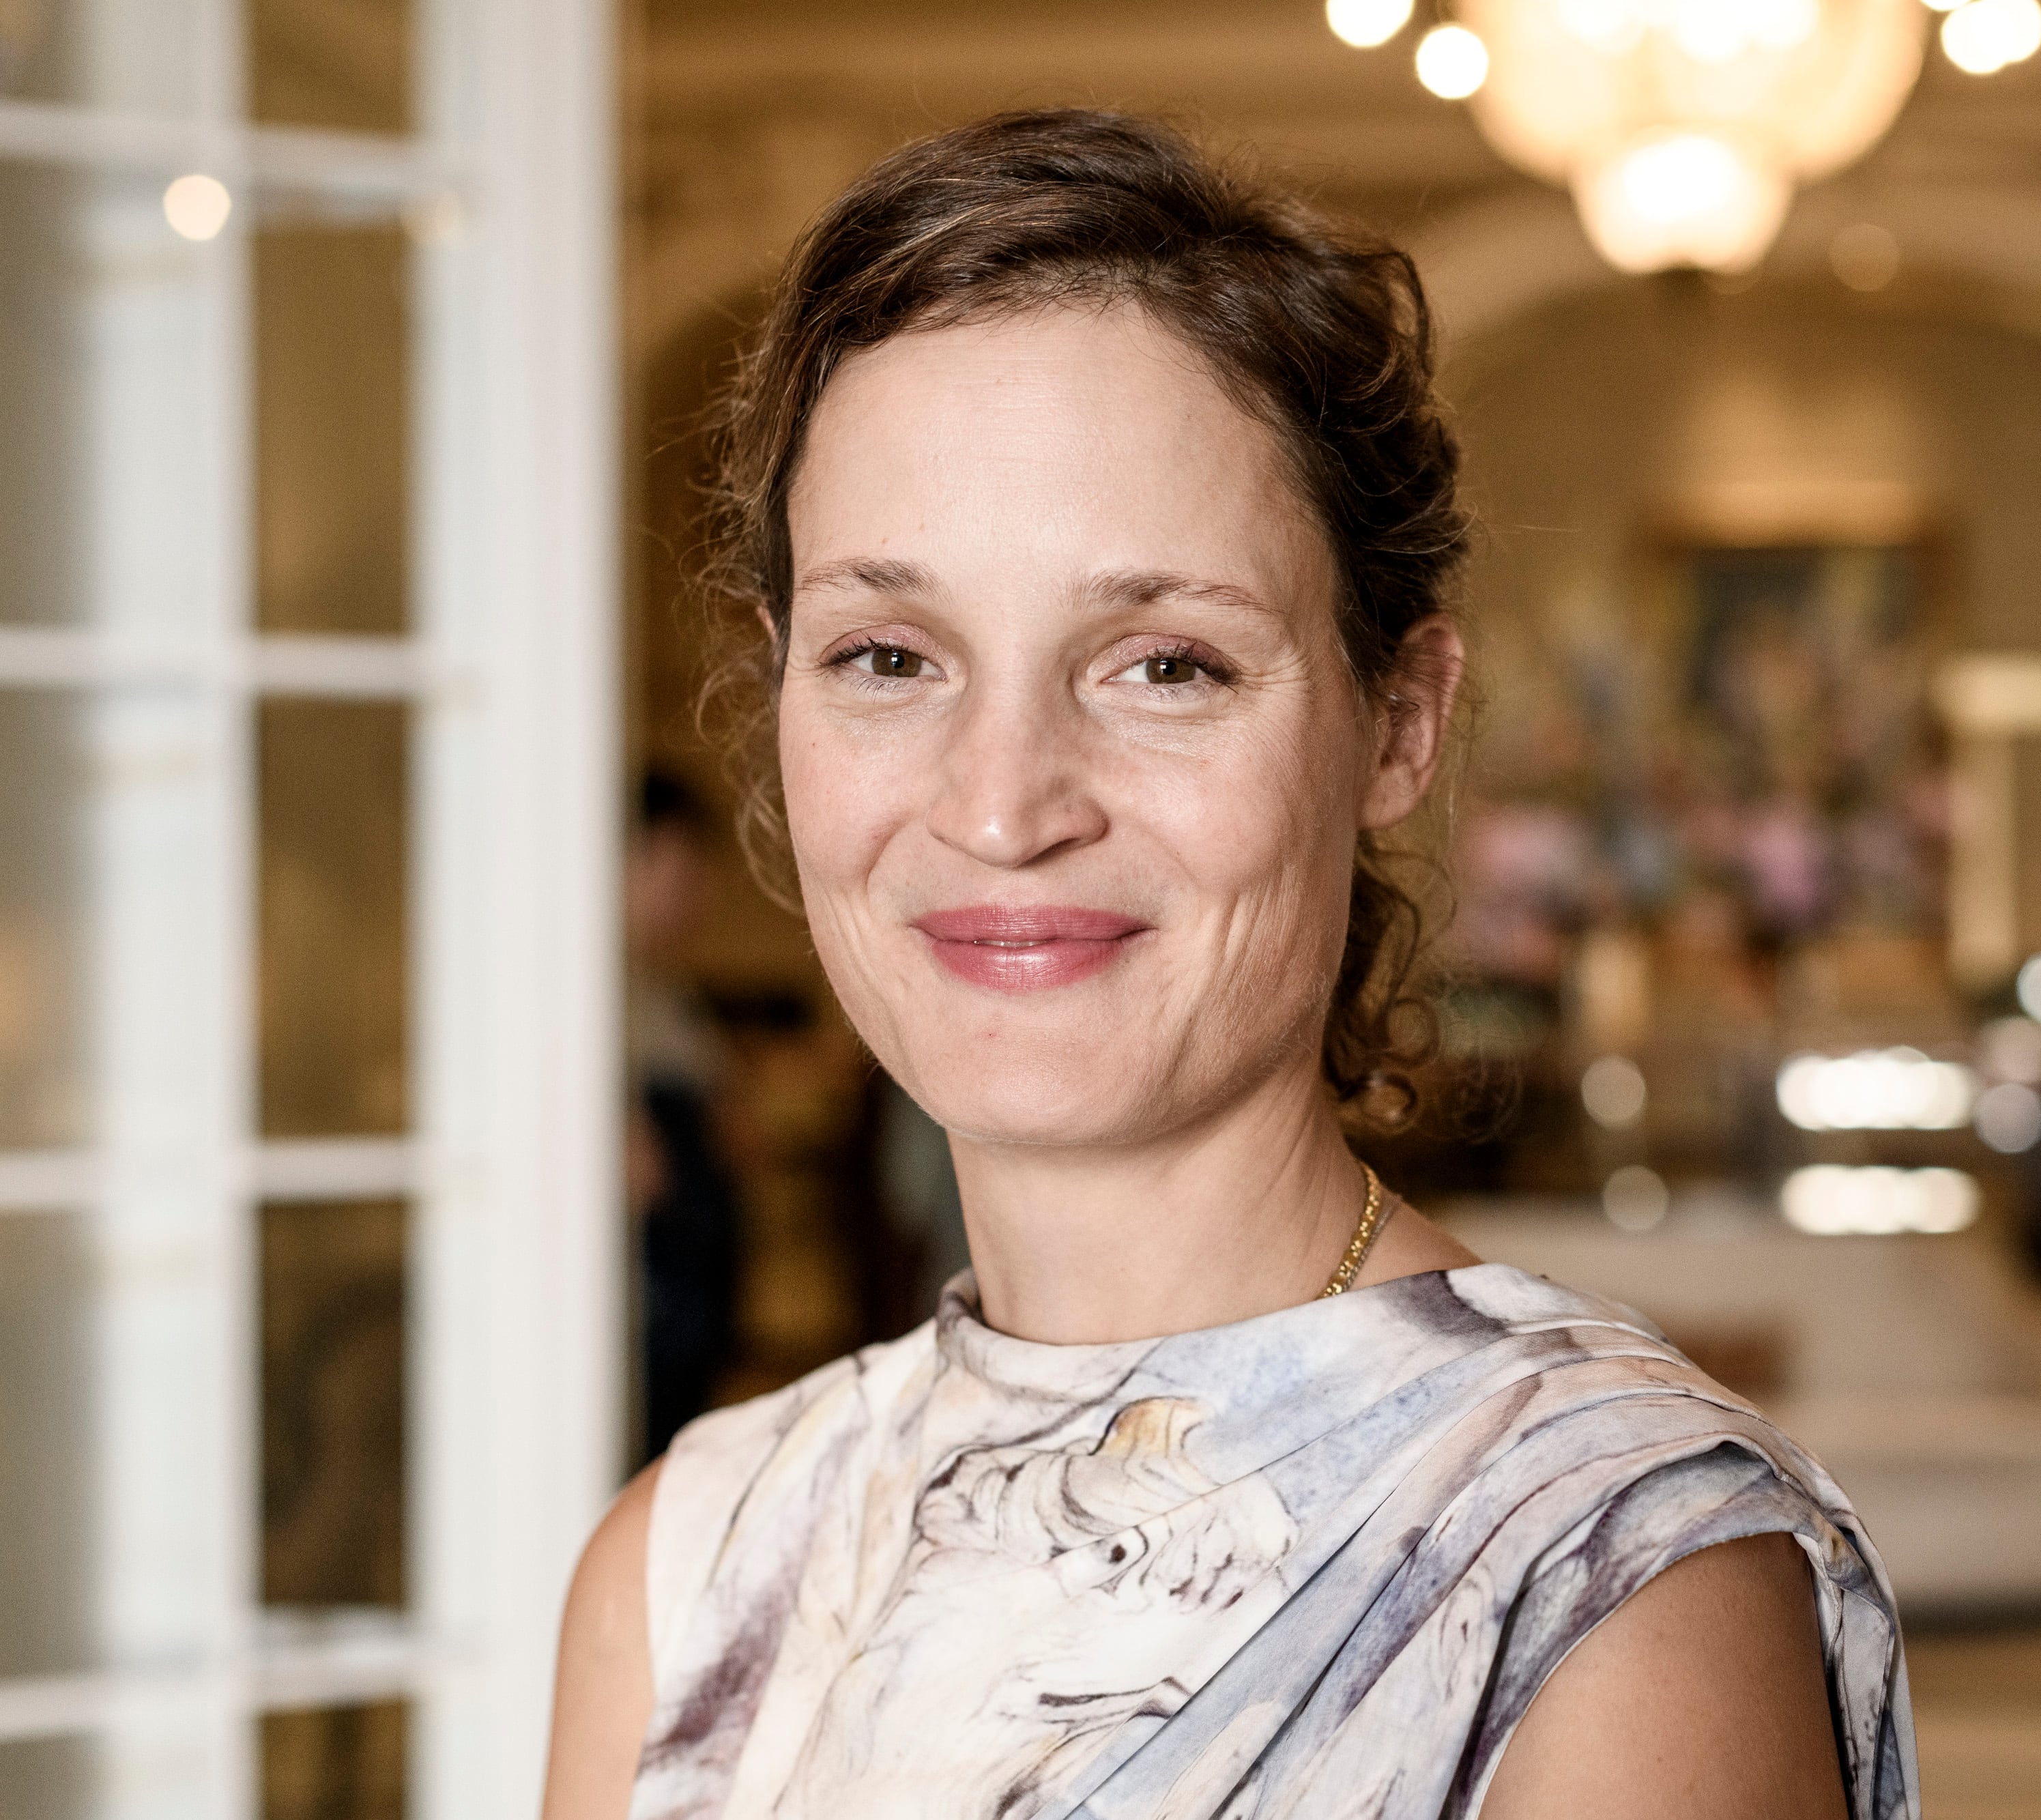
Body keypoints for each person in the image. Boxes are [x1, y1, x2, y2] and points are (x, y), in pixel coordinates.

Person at [543, 110, 1913, 1820]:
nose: (999, 804)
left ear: (1396, 721)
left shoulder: (1604, 1579)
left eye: (1166, 666)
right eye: (889, 656)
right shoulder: (688, 1560)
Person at [623, 770, 745, 1464]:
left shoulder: (664, 996)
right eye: (680, 865)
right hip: (646, 1296)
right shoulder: (574, 992)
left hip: (691, 1291)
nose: (696, 892)